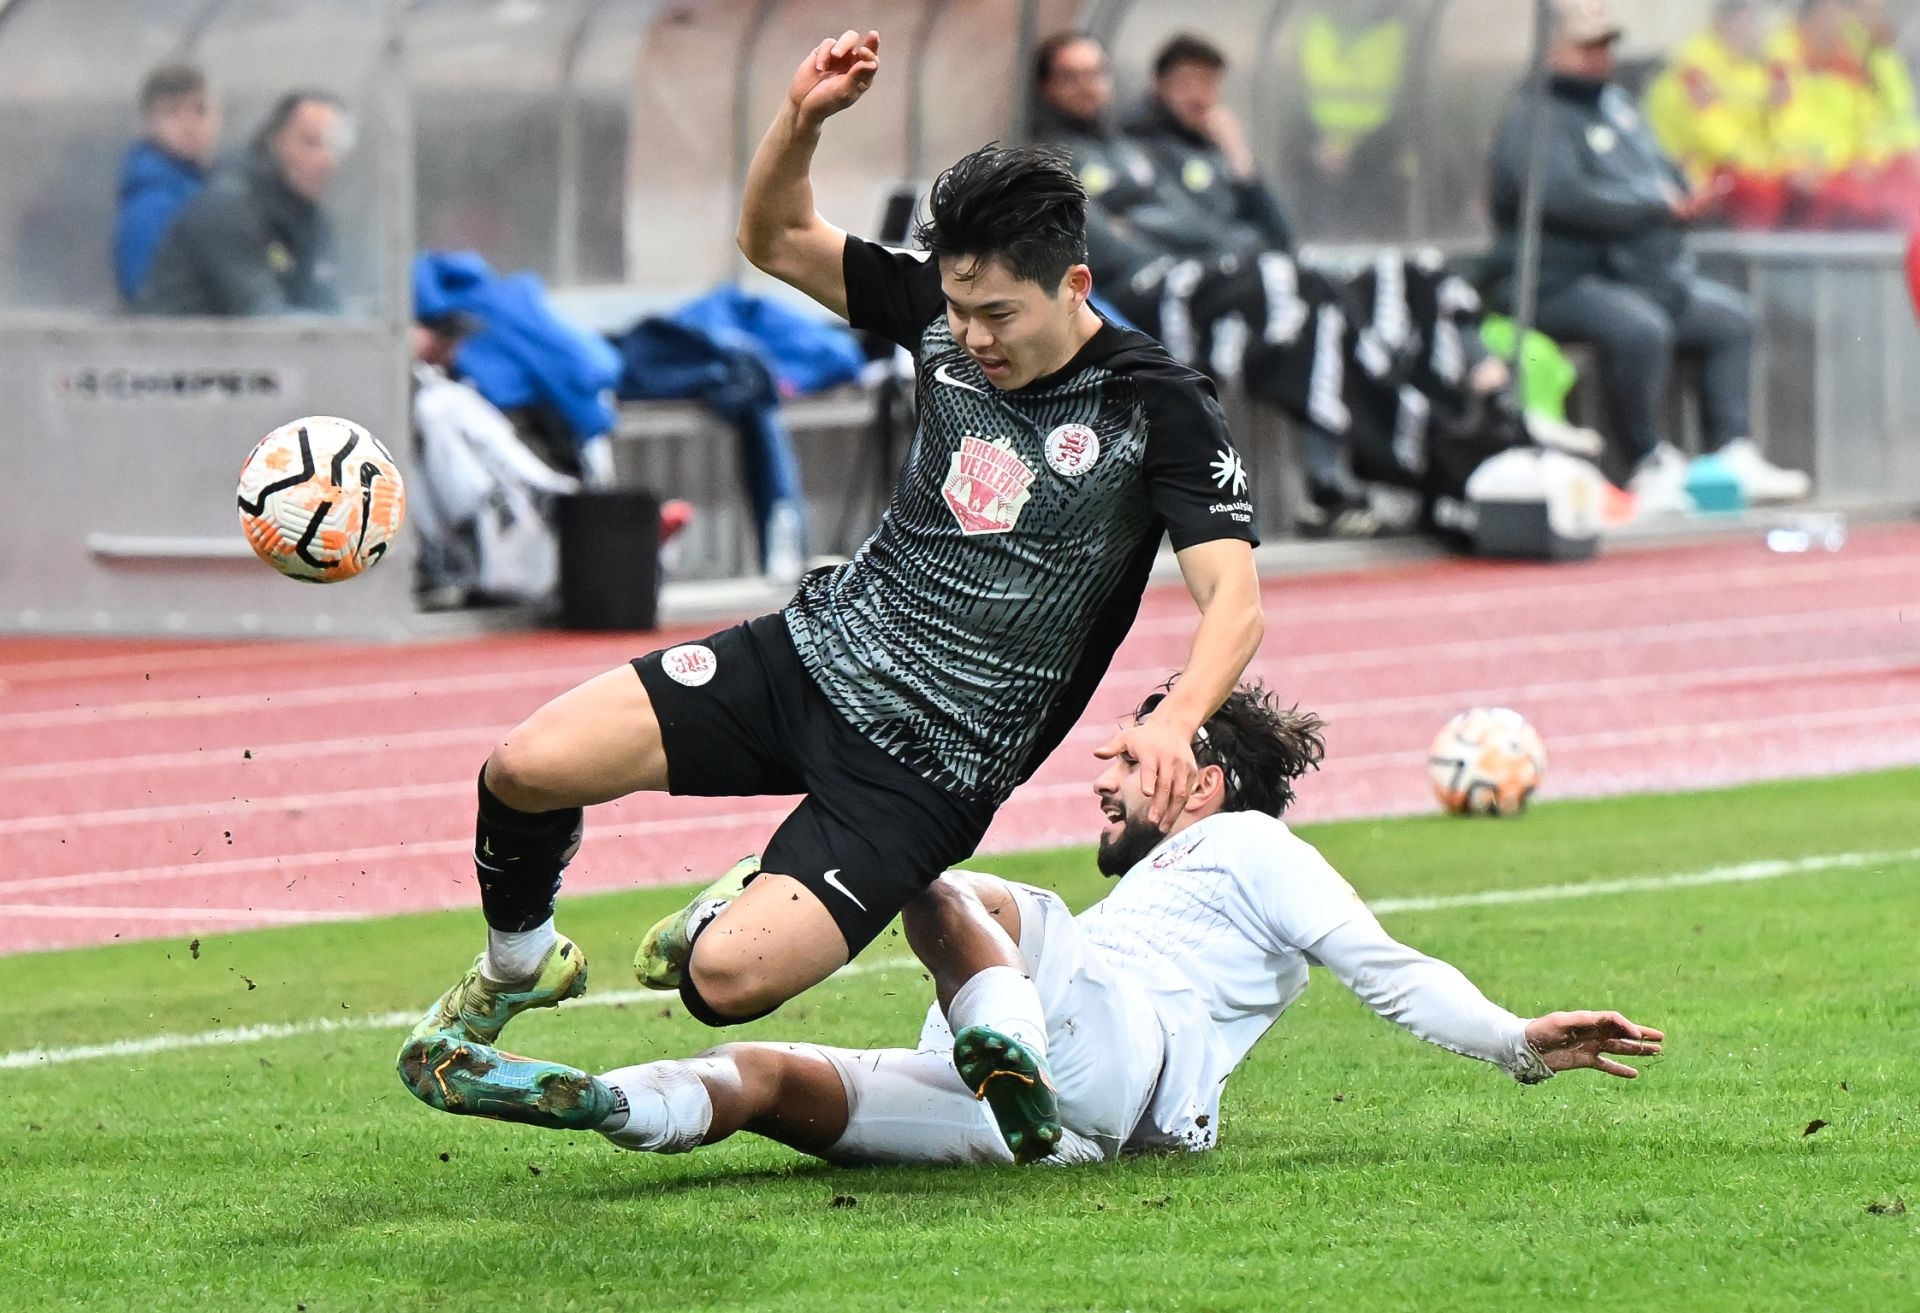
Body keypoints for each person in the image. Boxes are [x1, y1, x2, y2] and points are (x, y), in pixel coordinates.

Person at [403, 28, 1267, 1146]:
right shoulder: (939, 317)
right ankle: (520, 960)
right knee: (525, 766)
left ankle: (729, 906)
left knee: (722, 982)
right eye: (958, 307)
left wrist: (1179, 719)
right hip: (811, 656)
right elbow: (774, 236)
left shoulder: (1158, 404)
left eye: (1000, 314)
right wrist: (801, 119)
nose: (971, 335)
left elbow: (1234, 598)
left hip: (928, 767)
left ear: (1074, 286)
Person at [399, 680, 1665, 1168]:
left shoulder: (1253, 845)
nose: (1106, 775)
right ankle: (603, 1101)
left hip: (1119, 1043)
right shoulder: (1158, 888)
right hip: (1071, 1128)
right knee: (771, 1078)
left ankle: (779, 918)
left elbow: (1380, 965)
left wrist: (1512, 1037)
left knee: (942, 870)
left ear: (1203, 779)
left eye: (1131, 754)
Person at [1486, 0, 1811, 512]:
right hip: (1557, 280)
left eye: (1606, 45)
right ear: (1551, 50)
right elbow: (1561, 196)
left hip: (1635, 275)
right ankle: (1646, 461)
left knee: (1731, 321)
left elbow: (1660, 172)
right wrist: (1654, 206)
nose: (1602, 57)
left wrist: (1687, 194)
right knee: (1641, 329)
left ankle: (1730, 453)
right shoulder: (1535, 115)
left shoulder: (1616, 105)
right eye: (1587, 46)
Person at [136, 91, 347, 316]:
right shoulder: (227, 206)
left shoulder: (309, 218)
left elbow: (323, 303)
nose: (325, 160)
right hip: (175, 338)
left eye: (333, 147)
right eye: (310, 143)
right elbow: (261, 316)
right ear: (276, 141)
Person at [1124, 33, 1294, 261]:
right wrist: (1253, 243)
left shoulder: (1213, 147)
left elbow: (1280, 235)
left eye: (1208, 82)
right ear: (1159, 85)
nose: (1197, 95)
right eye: (1186, 82)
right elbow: (1194, 230)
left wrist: (1239, 157)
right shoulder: (1138, 145)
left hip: (1236, 265)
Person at [1646, 1, 1794, 231]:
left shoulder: (1749, 68)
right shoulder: (1692, 67)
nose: (1761, 31)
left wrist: (1774, 163)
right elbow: (1714, 136)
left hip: (1740, 165)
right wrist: (1762, 166)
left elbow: (1772, 129)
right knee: (1759, 191)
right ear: (1735, 21)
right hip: (1692, 172)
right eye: (1755, 21)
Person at [113, 63, 219, 304]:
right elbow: (149, 299)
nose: (189, 124)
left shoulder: (220, 189)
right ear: (149, 124)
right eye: (173, 112)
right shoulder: (150, 205)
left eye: (200, 110)